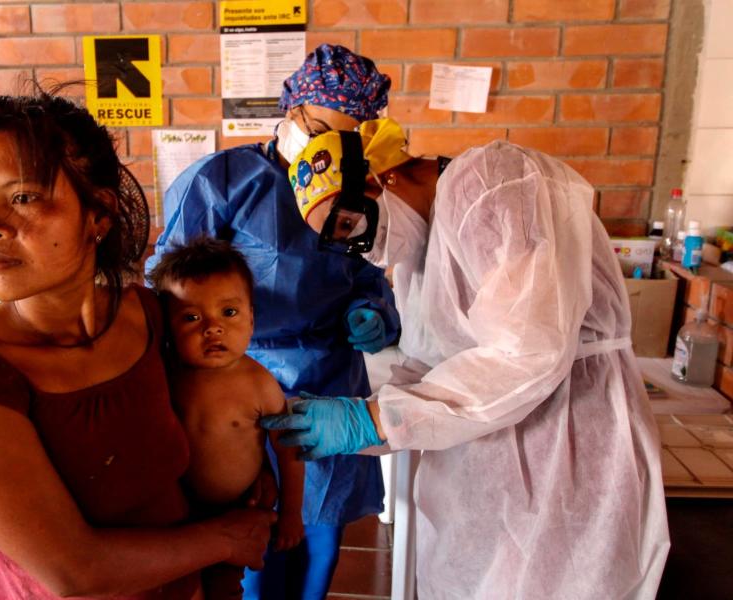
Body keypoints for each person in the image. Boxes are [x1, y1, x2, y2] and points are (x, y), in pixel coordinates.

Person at [264, 118, 671, 598]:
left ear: (382, 177)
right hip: (486, 465)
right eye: (341, 242)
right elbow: (431, 371)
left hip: (568, 449)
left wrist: (373, 419)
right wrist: (360, 421)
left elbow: (528, 351)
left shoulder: (491, 184)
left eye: (350, 225)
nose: (360, 248)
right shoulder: (421, 259)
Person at [0, 90, 275, 600]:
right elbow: (74, 572)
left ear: (99, 214)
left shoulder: (147, 316)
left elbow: (200, 417)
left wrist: (247, 463)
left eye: (22, 197)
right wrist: (222, 540)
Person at [146, 44, 401, 600]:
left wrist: (375, 313)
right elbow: (169, 281)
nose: (334, 153)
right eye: (324, 132)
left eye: (350, 140)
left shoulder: (358, 192)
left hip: (331, 378)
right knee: (253, 536)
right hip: (238, 378)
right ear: (292, 115)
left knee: (321, 539)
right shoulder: (226, 182)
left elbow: (369, 271)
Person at [149, 237, 305, 599]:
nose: (212, 328)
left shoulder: (259, 384)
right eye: (191, 317)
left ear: (252, 316)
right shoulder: (164, 375)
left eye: (229, 313)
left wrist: (292, 512)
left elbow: (289, 450)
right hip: (170, 514)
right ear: (167, 328)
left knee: (223, 590)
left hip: (235, 511)